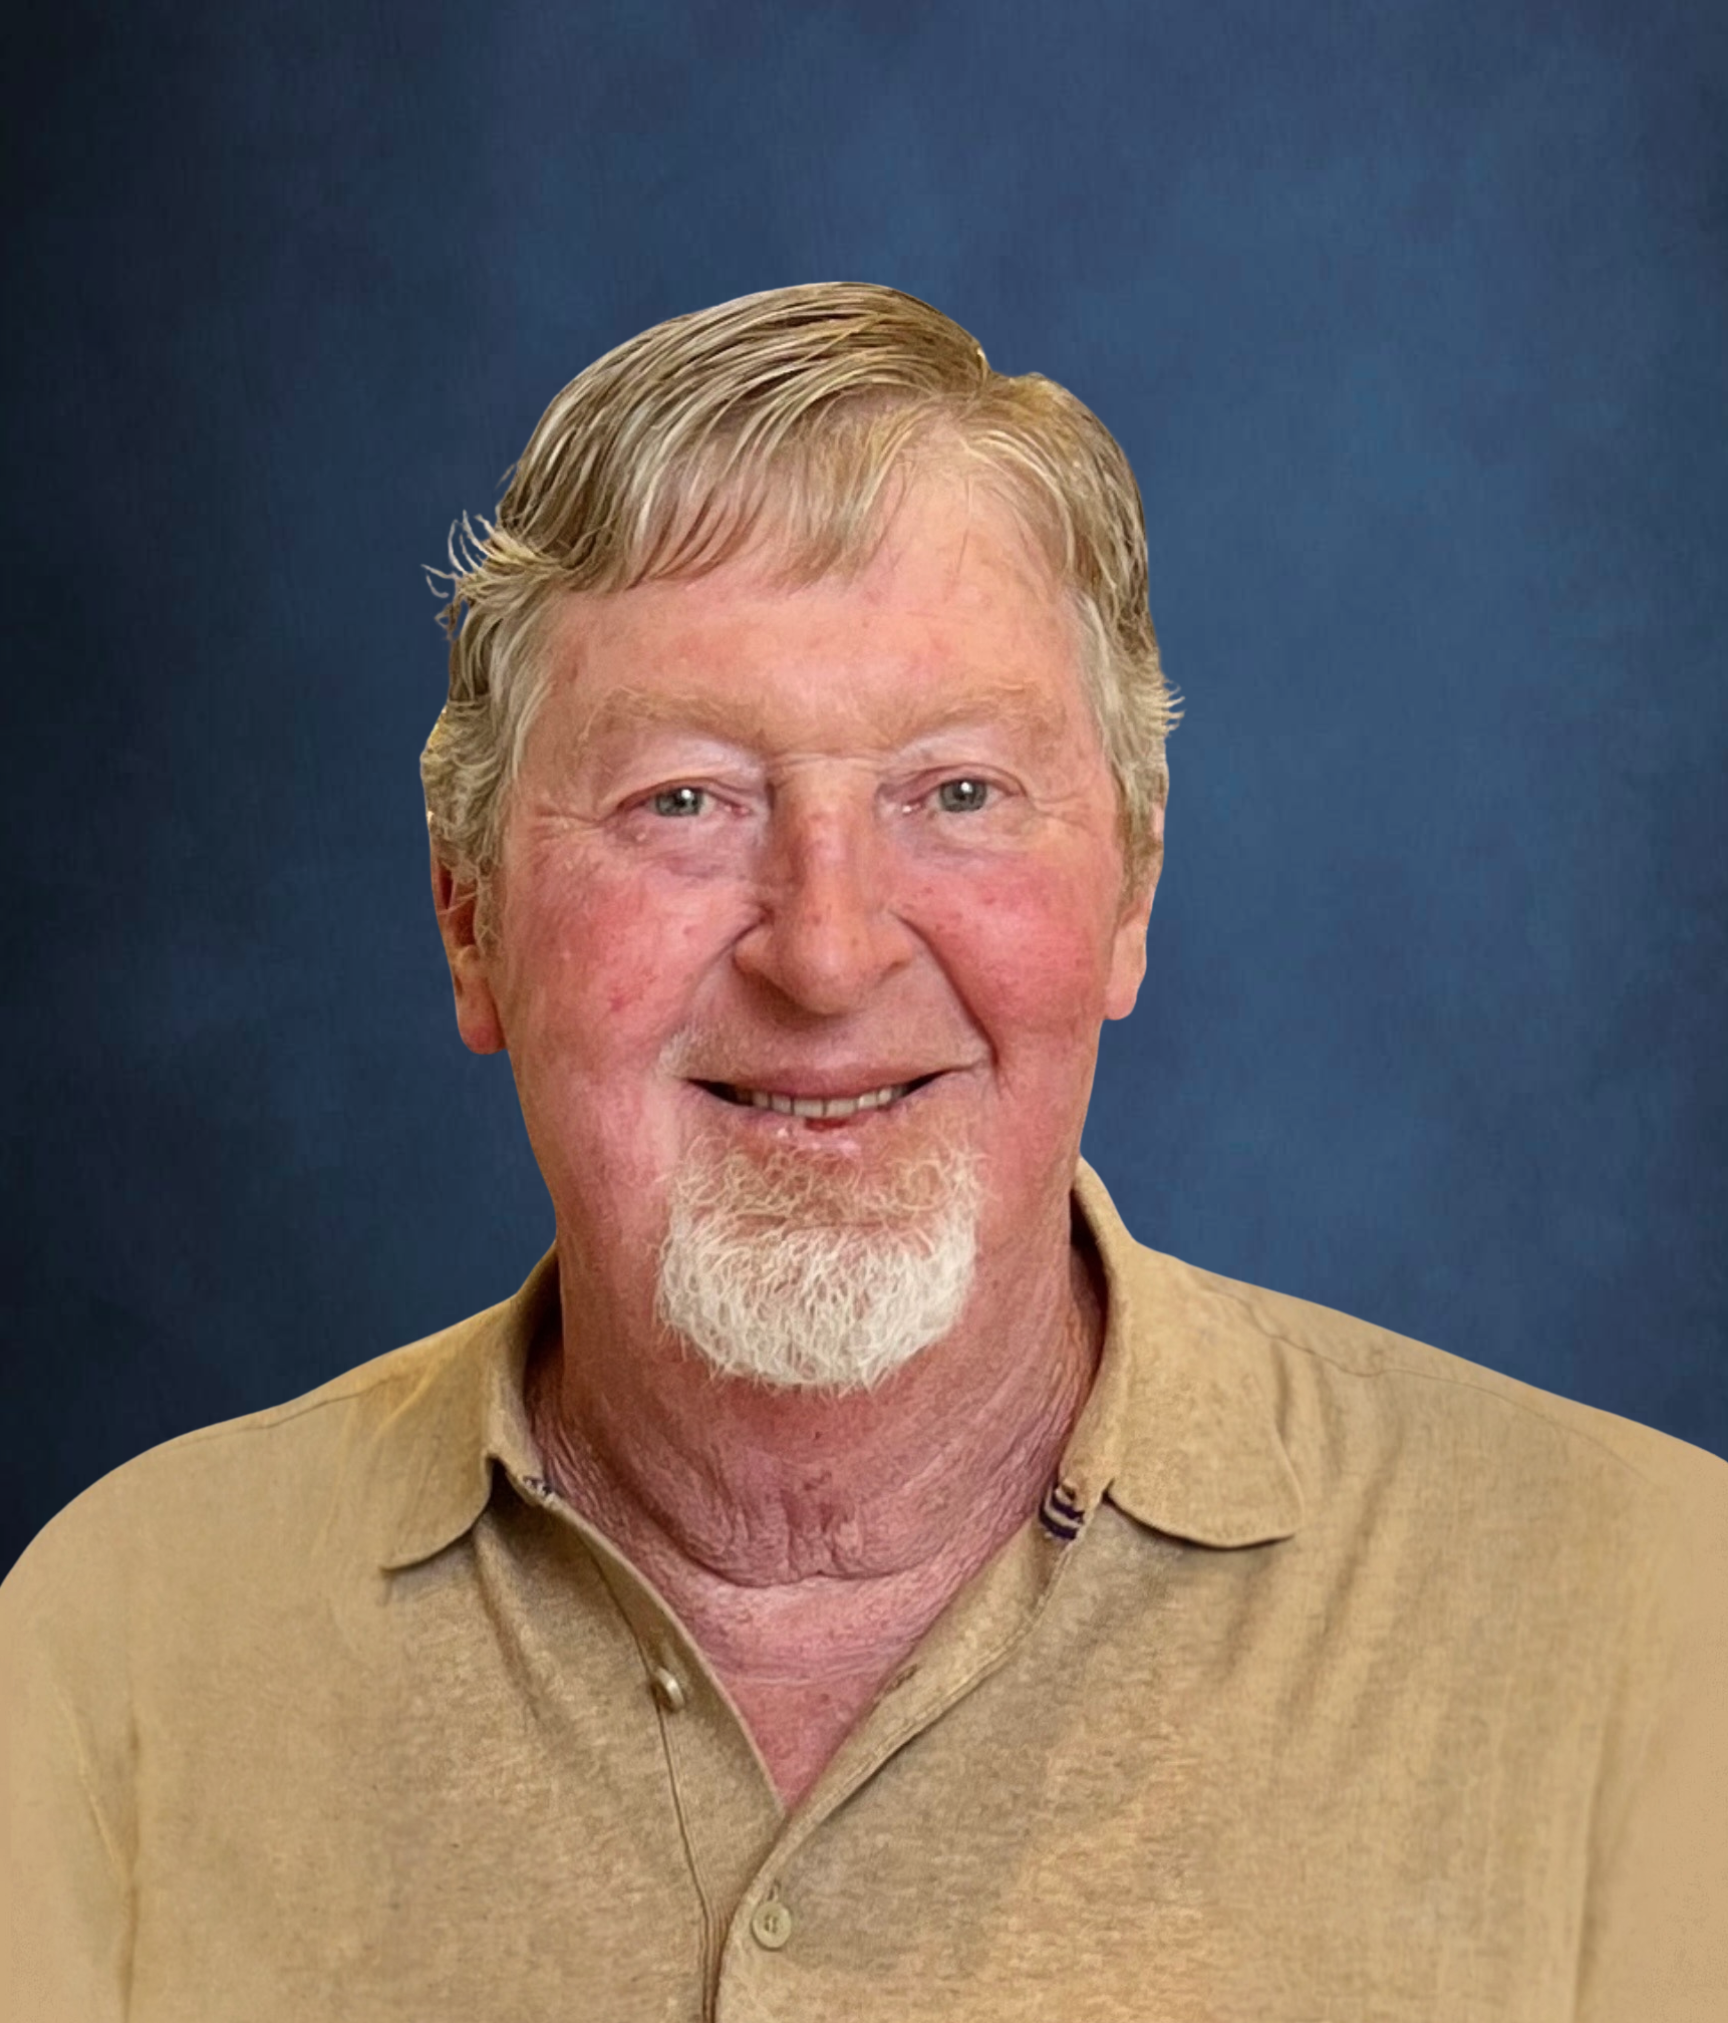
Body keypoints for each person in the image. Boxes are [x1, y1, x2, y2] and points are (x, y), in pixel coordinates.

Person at [2, 283, 1723, 2022]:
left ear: (1131, 890)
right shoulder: (119, 1661)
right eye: (684, 800)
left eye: (957, 792)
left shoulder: (1656, 1636)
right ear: (471, 919)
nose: (825, 955)